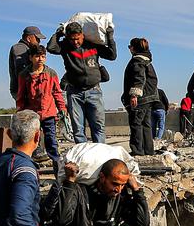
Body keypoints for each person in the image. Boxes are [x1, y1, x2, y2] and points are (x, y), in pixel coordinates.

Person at [48, 21, 117, 143]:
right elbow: (51, 48)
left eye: (77, 38)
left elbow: (112, 56)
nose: (75, 42)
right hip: (75, 93)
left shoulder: (93, 45)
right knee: (78, 130)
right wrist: (58, 34)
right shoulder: (65, 47)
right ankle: (83, 157)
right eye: (72, 39)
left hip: (94, 91)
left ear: (82, 35)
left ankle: (100, 156)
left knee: (98, 127)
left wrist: (110, 37)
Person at [16, 45, 66, 174]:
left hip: (49, 114)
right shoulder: (24, 75)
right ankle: (30, 172)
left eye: (43, 56)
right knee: (31, 144)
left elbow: (57, 92)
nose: (40, 59)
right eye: (37, 56)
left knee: (52, 143)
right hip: (32, 116)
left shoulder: (51, 73)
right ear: (31, 58)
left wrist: (62, 107)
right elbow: (21, 96)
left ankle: (59, 173)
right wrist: (20, 112)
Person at [122, 37, 159, 156]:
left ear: (133, 48)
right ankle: (148, 150)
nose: (129, 49)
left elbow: (139, 78)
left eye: (129, 47)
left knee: (136, 124)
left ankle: (138, 151)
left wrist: (134, 95)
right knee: (146, 125)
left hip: (141, 99)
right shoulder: (147, 60)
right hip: (149, 98)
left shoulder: (137, 61)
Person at [8, 26, 47, 100]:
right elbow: (21, 69)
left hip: (26, 89)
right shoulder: (20, 48)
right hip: (24, 90)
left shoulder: (26, 48)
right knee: (28, 111)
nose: (39, 41)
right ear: (29, 39)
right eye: (37, 39)